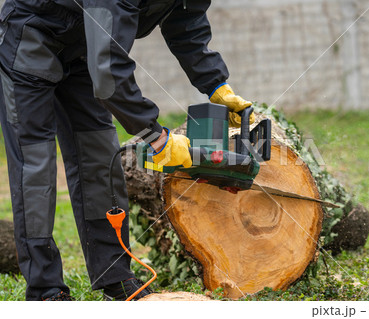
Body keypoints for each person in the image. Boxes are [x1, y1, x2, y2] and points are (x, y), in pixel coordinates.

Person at [0, 0, 252, 301]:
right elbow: (108, 75)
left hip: (86, 50)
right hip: (32, 37)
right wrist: (156, 137)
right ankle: (45, 290)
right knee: (35, 168)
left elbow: (186, 23)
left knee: (99, 159)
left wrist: (215, 84)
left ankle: (116, 278)